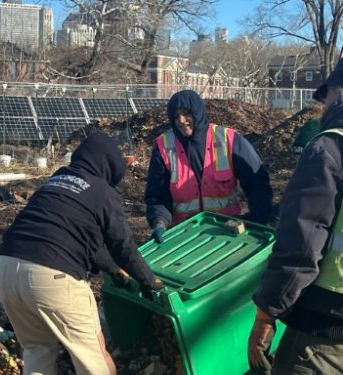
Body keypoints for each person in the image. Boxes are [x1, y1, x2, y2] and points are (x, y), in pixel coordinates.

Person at [0, 132, 162, 375]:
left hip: (6, 267)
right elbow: (123, 245)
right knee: (94, 358)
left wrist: (114, 271)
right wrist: (150, 281)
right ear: (109, 167)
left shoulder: (58, 179)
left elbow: (83, 240)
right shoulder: (102, 191)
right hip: (52, 276)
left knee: (37, 349)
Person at [247, 59, 343, 373]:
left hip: (323, 331)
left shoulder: (329, 149)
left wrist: (266, 314)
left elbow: (301, 246)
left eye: (325, 97)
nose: (323, 106)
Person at [144, 90, 273, 243]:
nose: (181, 120)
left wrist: (258, 219)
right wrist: (159, 222)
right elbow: (157, 196)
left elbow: (257, 183)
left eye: (186, 113)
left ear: (198, 113)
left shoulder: (228, 140)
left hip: (227, 231)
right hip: (183, 234)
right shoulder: (164, 146)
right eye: (176, 116)